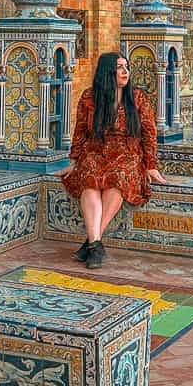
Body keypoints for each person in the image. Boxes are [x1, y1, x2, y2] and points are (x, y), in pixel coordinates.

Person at [61, 51, 166, 270]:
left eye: (126, 67)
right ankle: (95, 244)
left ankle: (92, 243)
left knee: (118, 178)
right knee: (88, 177)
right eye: (119, 67)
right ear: (108, 72)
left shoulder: (137, 97)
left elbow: (149, 132)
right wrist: (73, 161)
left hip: (127, 152)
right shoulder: (90, 98)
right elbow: (80, 131)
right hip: (97, 150)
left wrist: (152, 165)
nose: (125, 71)